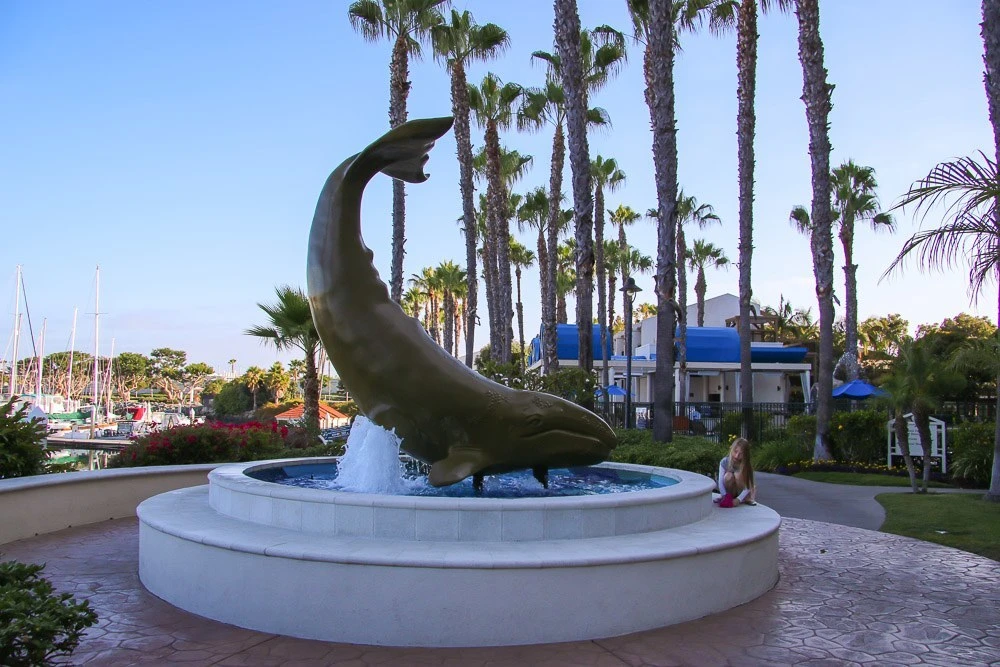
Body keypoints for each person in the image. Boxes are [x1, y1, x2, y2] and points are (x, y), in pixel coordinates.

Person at [717, 437, 756, 507]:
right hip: (731, 491)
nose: (737, 456)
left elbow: (748, 485)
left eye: (741, 454)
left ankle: (746, 498)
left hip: (741, 490)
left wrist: (739, 499)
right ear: (731, 449)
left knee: (738, 475)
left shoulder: (746, 465)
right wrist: (724, 495)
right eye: (735, 451)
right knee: (728, 476)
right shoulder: (724, 462)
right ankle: (729, 496)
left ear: (745, 455)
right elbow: (720, 482)